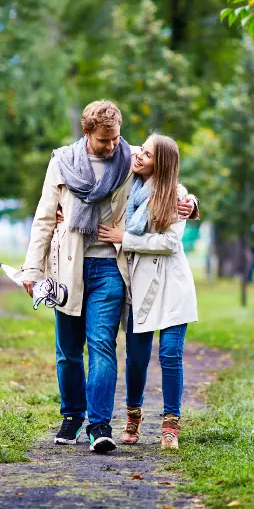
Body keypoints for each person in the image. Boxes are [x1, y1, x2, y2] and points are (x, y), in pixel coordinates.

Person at [17, 101, 196, 454]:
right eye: (104, 141)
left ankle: (99, 426)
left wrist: (191, 201)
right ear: (87, 134)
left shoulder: (128, 159)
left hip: (110, 267)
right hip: (68, 265)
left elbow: (164, 180)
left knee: (101, 344)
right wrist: (31, 269)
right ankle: (72, 416)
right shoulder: (62, 163)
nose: (113, 147)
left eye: (116, 139)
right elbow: (42, 218)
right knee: (68, 350)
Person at [97, 133, 198, 450]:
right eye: (142, 149)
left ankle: (170, 424)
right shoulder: (126, 188)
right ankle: (133, 416)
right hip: (138, 285)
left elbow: (169, 244)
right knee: (137, 359)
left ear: (162, 164)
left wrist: (124, 237)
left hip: (172, 286)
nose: (139, 155)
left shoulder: (176, 196)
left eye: (149, 154)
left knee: (170, 354)